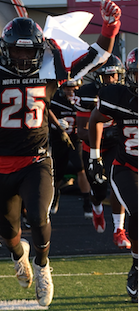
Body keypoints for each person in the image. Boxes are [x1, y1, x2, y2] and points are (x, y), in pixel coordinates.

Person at [0, 0, 121, 306]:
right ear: (6, 49)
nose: (24, 57)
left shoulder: (53, 68)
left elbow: (98, 55)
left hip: (36, 159)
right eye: (18, 50)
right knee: (9, 235)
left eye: (29, 51)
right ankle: (20, 256)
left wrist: (110, 26)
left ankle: (42, 266)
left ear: (40, 49)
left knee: (39, 216)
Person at [88, 47, 137, 303]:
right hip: (127, 166)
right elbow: (95, 118)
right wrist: (94, 155)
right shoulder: (118, 96)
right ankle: (138, 268)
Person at [75, 55, 130, 248]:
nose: (112, 80)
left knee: (117, 185)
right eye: (107, 76)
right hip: (93, 147)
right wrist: (106, 135)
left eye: (115, 75)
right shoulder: (87, 94)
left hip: (117, 146)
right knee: (98, 189)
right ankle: (96, 206)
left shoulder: (126, 93)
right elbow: (81, 131)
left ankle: (118, 230)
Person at [49, 78, 91, 216]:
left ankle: (87, 201)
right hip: (58, 140)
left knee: (81, 169)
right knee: (58, 174)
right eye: (68, 88)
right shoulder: (55, 100)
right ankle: (55, 197)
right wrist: (55, 124)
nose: (71, 91)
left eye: (74, 88)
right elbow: (44, 116)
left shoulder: (83, 101)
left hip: (75, 140)